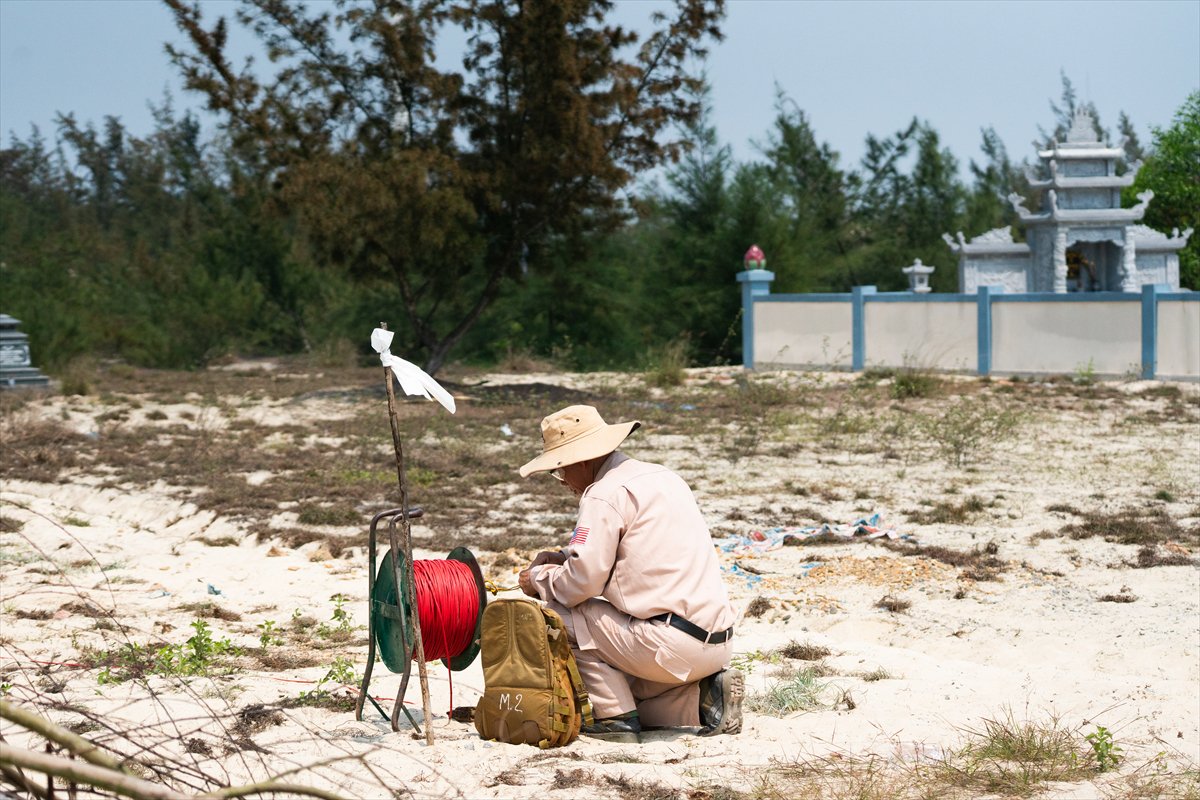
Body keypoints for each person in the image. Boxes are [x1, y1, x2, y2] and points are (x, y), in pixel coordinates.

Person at [516, 404, 742, 743]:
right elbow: (636, 546)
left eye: (560, 470)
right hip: (716, 640)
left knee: (558, 613)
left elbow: (582, 582)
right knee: (630, 689)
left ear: (581, 459)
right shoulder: (662, 476)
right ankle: (703, 700)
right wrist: (562, 555)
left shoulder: (603, 494)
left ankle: (615, 719)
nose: (562, 481)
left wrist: (537, 580)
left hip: (668, 643)